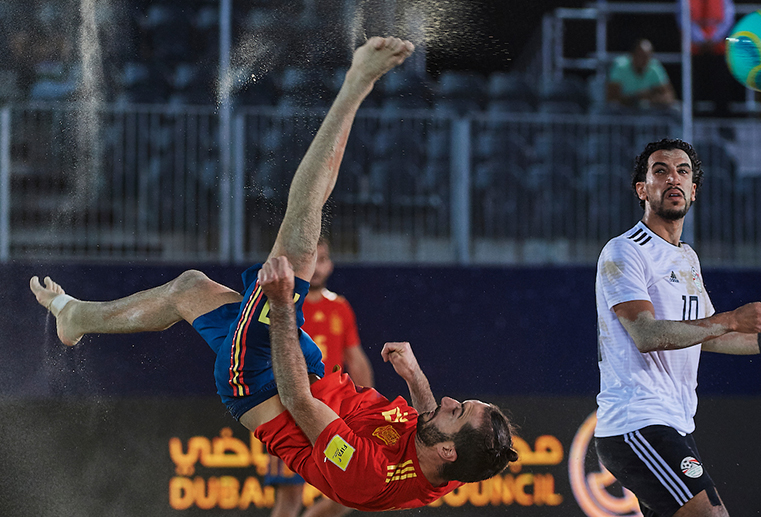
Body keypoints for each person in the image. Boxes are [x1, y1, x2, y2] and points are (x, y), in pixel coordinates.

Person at [29, 36, 518, 512]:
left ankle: (357, 83)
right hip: (306, 370)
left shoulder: (367, 475)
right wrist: (415, 377)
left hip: (262, 381)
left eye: (455, 410)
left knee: (302, 233)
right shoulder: (458, 461)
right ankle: (75, 316)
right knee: (189, 288)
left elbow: (298, 399)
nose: (447, 401)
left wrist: (283, 306)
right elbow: (429, 422)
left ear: (447, 450)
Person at [593, 138, 761, 517]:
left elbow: (708, 336)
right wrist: (729, 319)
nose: (673, 178)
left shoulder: (687, 257)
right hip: (637, 425)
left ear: (693, 191)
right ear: (642, 189)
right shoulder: (625, 250)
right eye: (661, 171)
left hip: (673, 425)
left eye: (683, 171)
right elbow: (646, 335)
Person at [266, 237, 375, 517]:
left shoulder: (340, 306)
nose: (316, 267)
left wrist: (367, 414)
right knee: (290, 495)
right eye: (310, 260)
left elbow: (356, 360)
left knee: (349, 493)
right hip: (290, 413)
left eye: (322, 259)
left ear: (330, 266)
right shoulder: (284, 304)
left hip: (331, 414)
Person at [606, 38, 677, 111]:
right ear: (632, 55)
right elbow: (612, 98)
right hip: (623, 110)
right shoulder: (620, 66)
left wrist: (651, 97)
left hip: (648, 110)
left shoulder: (654, 67)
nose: (643, 60)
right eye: (640, 55)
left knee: (676, 109)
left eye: (646, 56)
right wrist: (637, 97)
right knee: (613, 107)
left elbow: (668, 96)